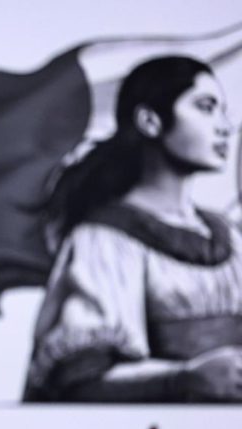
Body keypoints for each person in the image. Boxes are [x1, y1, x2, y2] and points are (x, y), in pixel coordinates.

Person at [24, 55, 242, 402]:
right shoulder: (103, 240)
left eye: (222, 110)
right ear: (150, 121)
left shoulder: (231, 237)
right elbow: (79, 380)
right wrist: (185, 380)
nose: (224, 126)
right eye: (205, 107)